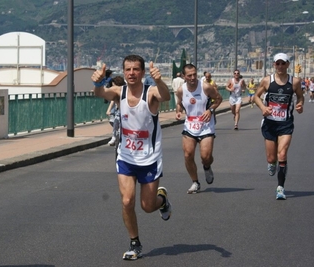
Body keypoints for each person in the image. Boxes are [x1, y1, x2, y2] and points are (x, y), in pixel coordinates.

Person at [91, 55, 172, 261]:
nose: (132, 73)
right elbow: (101, 93)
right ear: (124, 72)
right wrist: (98, 81)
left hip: (149, 158)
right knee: (127, 201)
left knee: (147, 206)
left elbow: (166, 97)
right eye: (128, 69)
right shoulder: (120, 92)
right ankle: (135, 243)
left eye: (136, 69)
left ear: (143, 73)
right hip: (126, 157)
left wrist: (160, 80)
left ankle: (162, 201)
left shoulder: (151, 92)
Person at [253, 53, 303, 200]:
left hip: (286, 124)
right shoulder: (267, 81)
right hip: (270, 123)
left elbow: (300, 96)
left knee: (282, 155)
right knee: (271, 158)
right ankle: (272, 163)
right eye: (277, 63)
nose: (280, 66)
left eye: (283, 63)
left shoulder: (294, 82)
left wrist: (300, 104)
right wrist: (263, 108)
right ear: (274, 65)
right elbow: (256, 96)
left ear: (288, 64)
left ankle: (280, 188)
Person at [175, 64, 222, 194]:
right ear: (184, 76)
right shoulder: (181, 90)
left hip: (206, 126)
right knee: (188, 154)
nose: (193, 77)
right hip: (189, 125)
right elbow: (179, 103)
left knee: (205, 157)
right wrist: (178, 111)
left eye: (194, 74)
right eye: (189, 75)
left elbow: (219, 99)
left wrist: (210, 110)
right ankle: (195, 182)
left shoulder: (205, 87)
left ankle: (207, 167)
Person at [106, 76, 126, 146]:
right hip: (118, 111)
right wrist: (108, 110)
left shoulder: (126, 91)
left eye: (113, 85)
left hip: (126, 112)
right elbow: (112, 101)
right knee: (115, 122)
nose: (112, 87)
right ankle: (114, 137)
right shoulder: (115, 93)